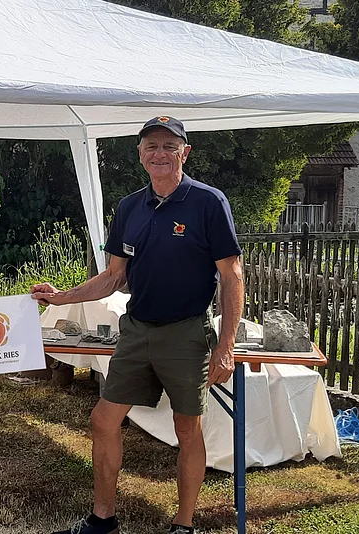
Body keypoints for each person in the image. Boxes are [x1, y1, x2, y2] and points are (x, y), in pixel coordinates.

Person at [32, 116, 244, 534]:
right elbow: (114, 276)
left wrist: (226, 344)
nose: (160, 154)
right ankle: (102, 520)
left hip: (186, 332)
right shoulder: (129, 207)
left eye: (169, 146)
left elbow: (232, 275)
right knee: (103, 420)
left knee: (188, 427)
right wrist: (61, 297)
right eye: (151, 146)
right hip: (136, 329)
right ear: (140, 154)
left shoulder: (208, 201)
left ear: (185, 152)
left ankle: (183, 525)